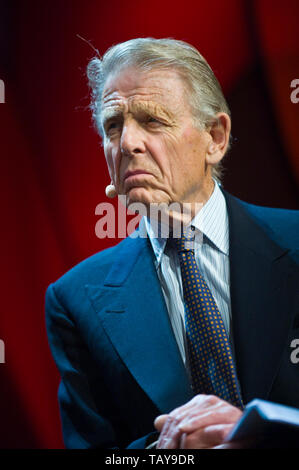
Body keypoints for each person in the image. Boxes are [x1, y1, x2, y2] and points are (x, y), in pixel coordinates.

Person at [45, 38, 299, 449]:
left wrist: (260, 436)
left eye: (152, 121)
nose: (126, 144)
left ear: (215, 138)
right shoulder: (75, 300)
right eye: (113, 125)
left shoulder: (294, 242)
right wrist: (169, 453)